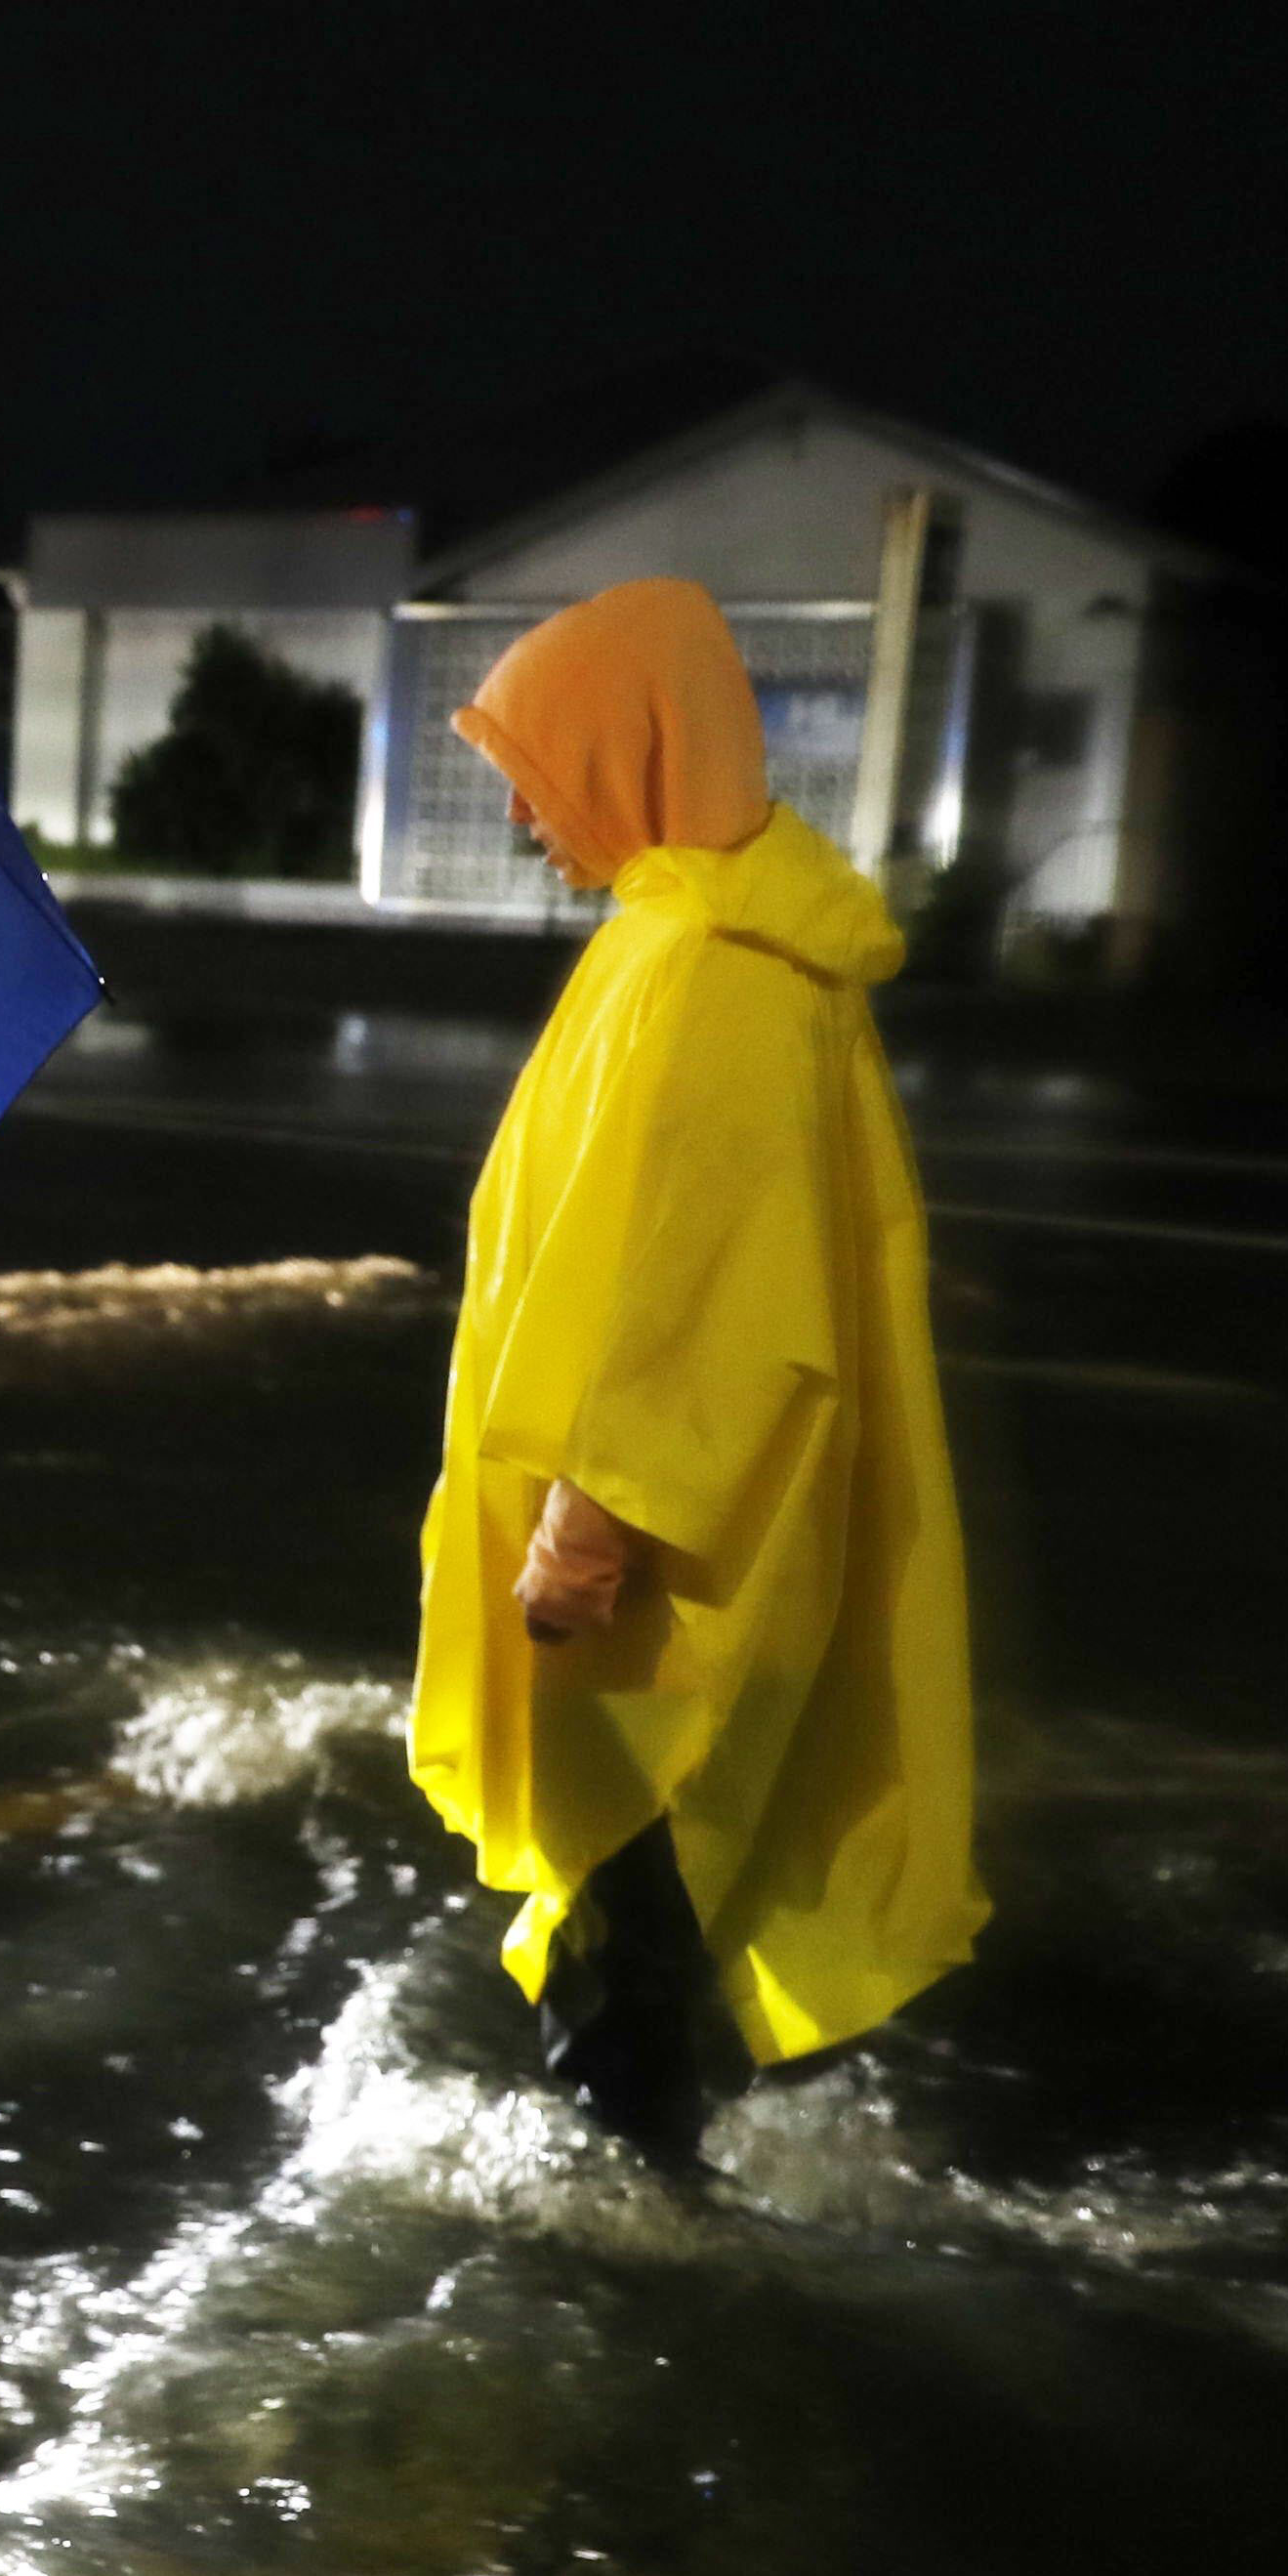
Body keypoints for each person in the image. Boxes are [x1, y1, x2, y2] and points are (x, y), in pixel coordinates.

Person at [407, 577, 983, 2181]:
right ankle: (660, 2202)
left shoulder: (714, 969)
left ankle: (632, 2289)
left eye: (538, 764)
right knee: (651, 1916)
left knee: (632, 1924)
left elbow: (702, 1294)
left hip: (661, 1560)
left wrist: (586, 1539)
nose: (522, 810)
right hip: (680, 1531)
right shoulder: (710, 937)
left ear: (632, 746)